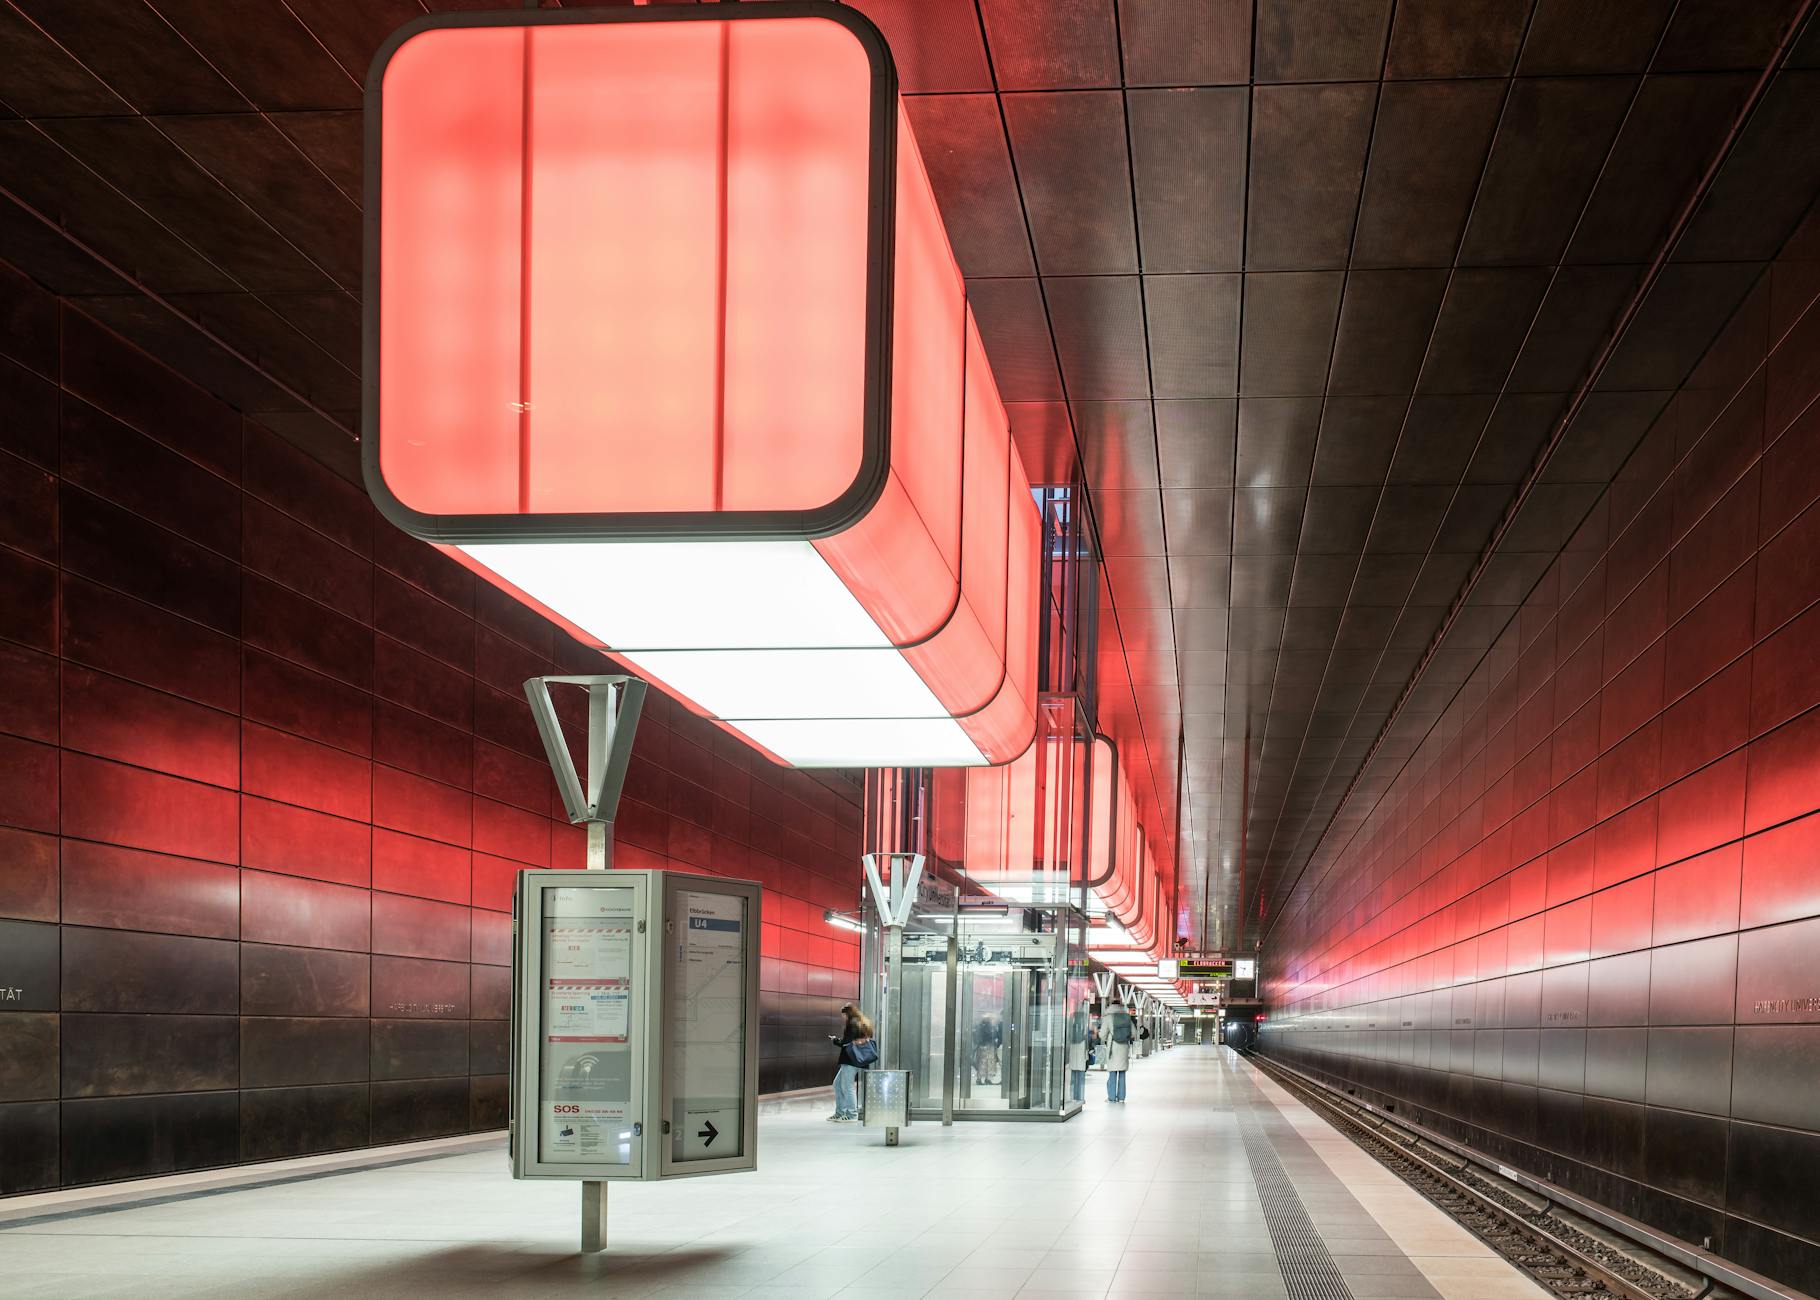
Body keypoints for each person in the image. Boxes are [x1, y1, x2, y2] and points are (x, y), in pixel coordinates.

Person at [827, 1003, 875, 1122]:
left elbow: (846, 1042)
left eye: (843, 1015)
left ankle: (851, 1115)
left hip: (850, 1060)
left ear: (847, 1014)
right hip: (860, 1060)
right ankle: (840, 1113)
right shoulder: (863, 1023)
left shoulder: (852, 1024)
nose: (843, 1018)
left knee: (847, 1087)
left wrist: (835, 1040)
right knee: (838, 1084)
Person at [1104, 1002, 1133, 1103]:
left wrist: (1105, 1037)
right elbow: (1133, 1033)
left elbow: (1102, 1034)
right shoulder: (1127, 1017)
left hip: (1113, 1047)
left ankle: (1111, 1097)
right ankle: (1121, 1098)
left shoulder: (1108, 1017)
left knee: (1112, 1072)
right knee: (1122, 1073)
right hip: (1124, 1047)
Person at [1066, 1003, 1092, 1102]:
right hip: (1082, 1046)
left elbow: (1068, 1034)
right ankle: (1079, 1095)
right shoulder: (1085, 1018)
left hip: (1073, 1046)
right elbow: (1087, 1035)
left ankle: (1072, 1095)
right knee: (1081, 1072)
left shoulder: (1071, 1018)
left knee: (1073, 1071)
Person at [973, 1012, 1002, 1084]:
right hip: (989, 1046)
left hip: (981, 1046)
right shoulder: (989, 1027)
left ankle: (981, 1078)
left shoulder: (980, 1026)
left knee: (982, 1063)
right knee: (988, 1063)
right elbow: (992, 1036)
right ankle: (986, 1079)